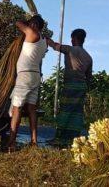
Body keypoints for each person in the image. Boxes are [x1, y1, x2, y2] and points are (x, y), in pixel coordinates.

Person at [7, 15, 47, 152]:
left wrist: (25, 21)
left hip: (25, 76)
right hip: (35, 75)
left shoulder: (31, 32)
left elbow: (17, 22)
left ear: (34, 25)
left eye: (31, 23)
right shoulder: (43, 41)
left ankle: (11, 143)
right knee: (31, 109)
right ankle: (34, 141)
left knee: (17, 108)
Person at [47, 29, 93, 145]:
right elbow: (89, 77)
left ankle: (59, 139)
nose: (71, 40)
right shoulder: (88, 57)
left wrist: (46, 39)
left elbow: (54, 46)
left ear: (74, 38)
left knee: (65, 111)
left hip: (70, 85)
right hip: (81, 87)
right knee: (76, 113)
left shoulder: (69, 49)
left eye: (72, 38)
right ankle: (72, 140)